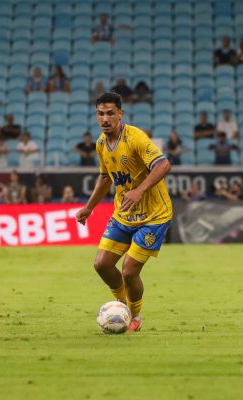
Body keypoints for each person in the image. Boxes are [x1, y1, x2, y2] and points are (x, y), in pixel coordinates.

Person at [75, 92, 173, 333]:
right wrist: (89, 207)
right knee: (102, 265)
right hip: (124, 214)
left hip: (153, 216)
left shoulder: (136, 138)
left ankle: (135, 315)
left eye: (110, 113)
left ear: (120, 114)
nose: (105, 118)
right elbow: (105, 176)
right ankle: (122, 305)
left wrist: (139, 191)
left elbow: (163, 164)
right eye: (100, 113)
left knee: (129, 271)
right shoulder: (100, 143)